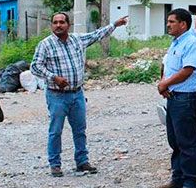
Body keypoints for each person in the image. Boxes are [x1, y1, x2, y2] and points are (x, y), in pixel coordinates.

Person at [30, 12, 128, 177]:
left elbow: (96, 35)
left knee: (80, 129)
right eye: (55, 22)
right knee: (56, 130)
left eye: (62, 22)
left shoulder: (77, 40)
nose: (58, 25)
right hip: (57, 95)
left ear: (68, 24)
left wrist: (115, 25)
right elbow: (35, 66)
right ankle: (55, 164)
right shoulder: (45, 45)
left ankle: (82, 162)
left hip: (77, 93)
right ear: (51, 25)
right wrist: (53, 77)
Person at [157, 8, 196, 188]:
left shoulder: (192, 43)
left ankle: (190, 185)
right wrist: (163, 82)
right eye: (168, 21)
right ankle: (177, 179)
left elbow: (187, 70)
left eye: (172, 21)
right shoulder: (175, 43)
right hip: (173, 97)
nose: (168, 24)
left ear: (183, 24)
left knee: (187, 142)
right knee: (174, 140)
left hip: (185, 98)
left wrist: (166, 83)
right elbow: (168, 67)